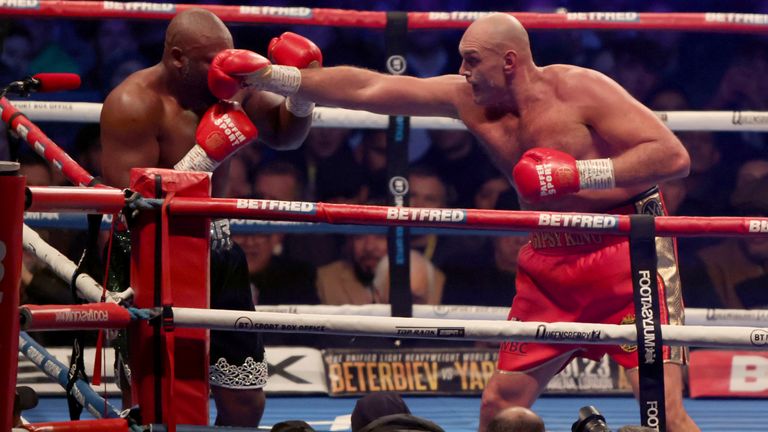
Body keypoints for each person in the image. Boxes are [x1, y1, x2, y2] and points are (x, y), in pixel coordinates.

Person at [214, 13, 697, 431]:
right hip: (550, 260)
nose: (462, 71)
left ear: (509, 61)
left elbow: (672, 156)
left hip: (626, 253)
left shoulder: (579, 88)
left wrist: (579, 174)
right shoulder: (468, 99)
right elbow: (370, 88)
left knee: (663, 413)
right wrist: (275, 77)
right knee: (499, 404)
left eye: (472, 60)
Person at [99, 9, 318, 427]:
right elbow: (129, 206)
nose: (225, 67)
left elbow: (286, 135)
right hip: (149, 259)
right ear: (178, 58)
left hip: (215, 251)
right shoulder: (133, 104)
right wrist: (205, 156)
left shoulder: (232, 86)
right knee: (154, 404)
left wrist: (302, 92)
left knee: (245, 405)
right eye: (211, 59)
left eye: (228, 56)